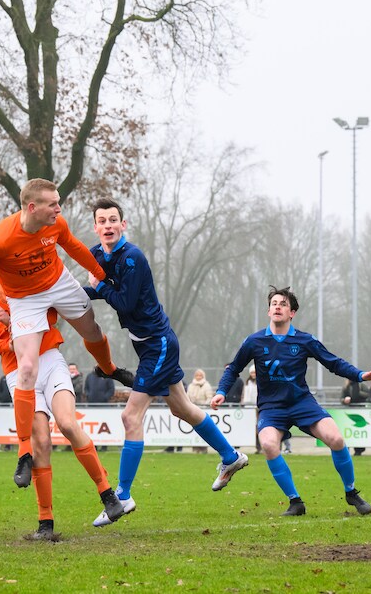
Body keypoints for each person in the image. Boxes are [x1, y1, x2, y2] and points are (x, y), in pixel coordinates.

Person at [84, 198, 247, 526]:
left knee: (131, 417)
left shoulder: (133, 258)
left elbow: (125, 303)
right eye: (102, 221)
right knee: (183, 409)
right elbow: (92, 291)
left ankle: (124, 496)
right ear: (95, 227)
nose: (108, 226)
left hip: (158, 345)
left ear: (123, 224)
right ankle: (231, 457)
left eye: (113, 219)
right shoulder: (96, 253)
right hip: (150, 345)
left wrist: (97, 286)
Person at [0, 180, 130, 487]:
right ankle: (24, 453)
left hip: (58, 283)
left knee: (92, 329)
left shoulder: (55, 224)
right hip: (26, 300)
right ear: (32, 208)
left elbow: (76, 248)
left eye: (58, 202)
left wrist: (105, 278)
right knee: (26, 368)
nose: (59, 208)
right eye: (53, 203)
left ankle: (110, 369)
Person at [0, 267, 122, 540]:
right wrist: (6, 345)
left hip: (48, 359)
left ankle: (108, 494)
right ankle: (45, 523)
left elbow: (52, 313)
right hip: (17, 372)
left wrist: (12, 318)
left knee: (68, 423)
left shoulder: (27, 275)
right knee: (42, 442)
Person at [211, 285, 371, 517]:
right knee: (270, 445)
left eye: (283, 304)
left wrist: (360, 375)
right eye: (274, 304)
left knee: (336, 439)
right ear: (269, 311)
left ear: (292, 313)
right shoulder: (254, 341)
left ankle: (351, 493)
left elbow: (333, 363)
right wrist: (221, 390)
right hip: (271, 408)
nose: (278, 307)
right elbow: (234, 369)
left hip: (302, 403)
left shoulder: (304, 340)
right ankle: (295, 502)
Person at [186, 370, 214, 454]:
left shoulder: (206, 386)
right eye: (197, 375)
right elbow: (187, 397)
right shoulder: (191, 386)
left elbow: (209, 397)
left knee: (203, 428)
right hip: (192, 410)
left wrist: (204, 406)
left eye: (200, 375)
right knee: (194, 429)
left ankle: (203, 448)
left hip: (203, 410)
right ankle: (195, 448)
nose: (198, 377)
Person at [340, 377, 370, 456]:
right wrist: (344, 400)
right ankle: (347, 449)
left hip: (361, 411)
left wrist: (358, 393)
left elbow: (368, 395)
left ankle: (359, 450)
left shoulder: (362, 385)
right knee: (349, 432)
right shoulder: (346, 387)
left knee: (359, 431)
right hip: (349, 412)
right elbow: (341, 399)